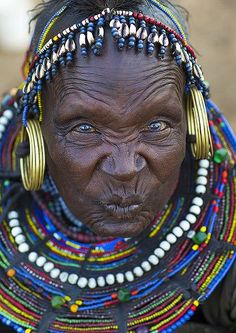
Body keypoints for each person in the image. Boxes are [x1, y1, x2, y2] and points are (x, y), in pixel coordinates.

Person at [0, 0, 235, 332]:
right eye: (84, 129)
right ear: (36, 132)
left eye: (156, 126)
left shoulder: (226, 223)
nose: (125, 168)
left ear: (192, 122)